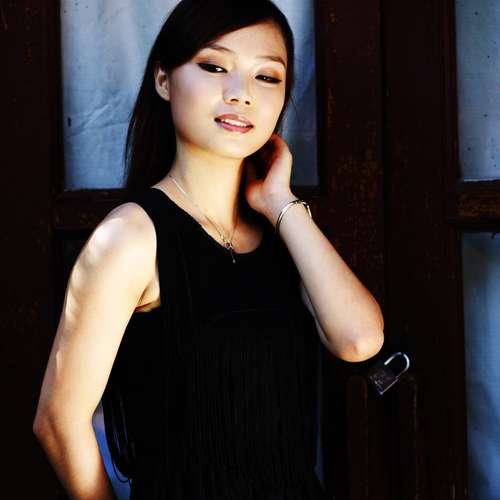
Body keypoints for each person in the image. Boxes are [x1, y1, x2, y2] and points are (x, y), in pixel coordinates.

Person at [32, 1, 385, 499]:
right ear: (163, 79)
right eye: (215, 67)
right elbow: (58, 421)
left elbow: (360, 341)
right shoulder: (131, 236)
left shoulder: (282, 231)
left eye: (267, 77)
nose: (241, 94)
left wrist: (280, 202)